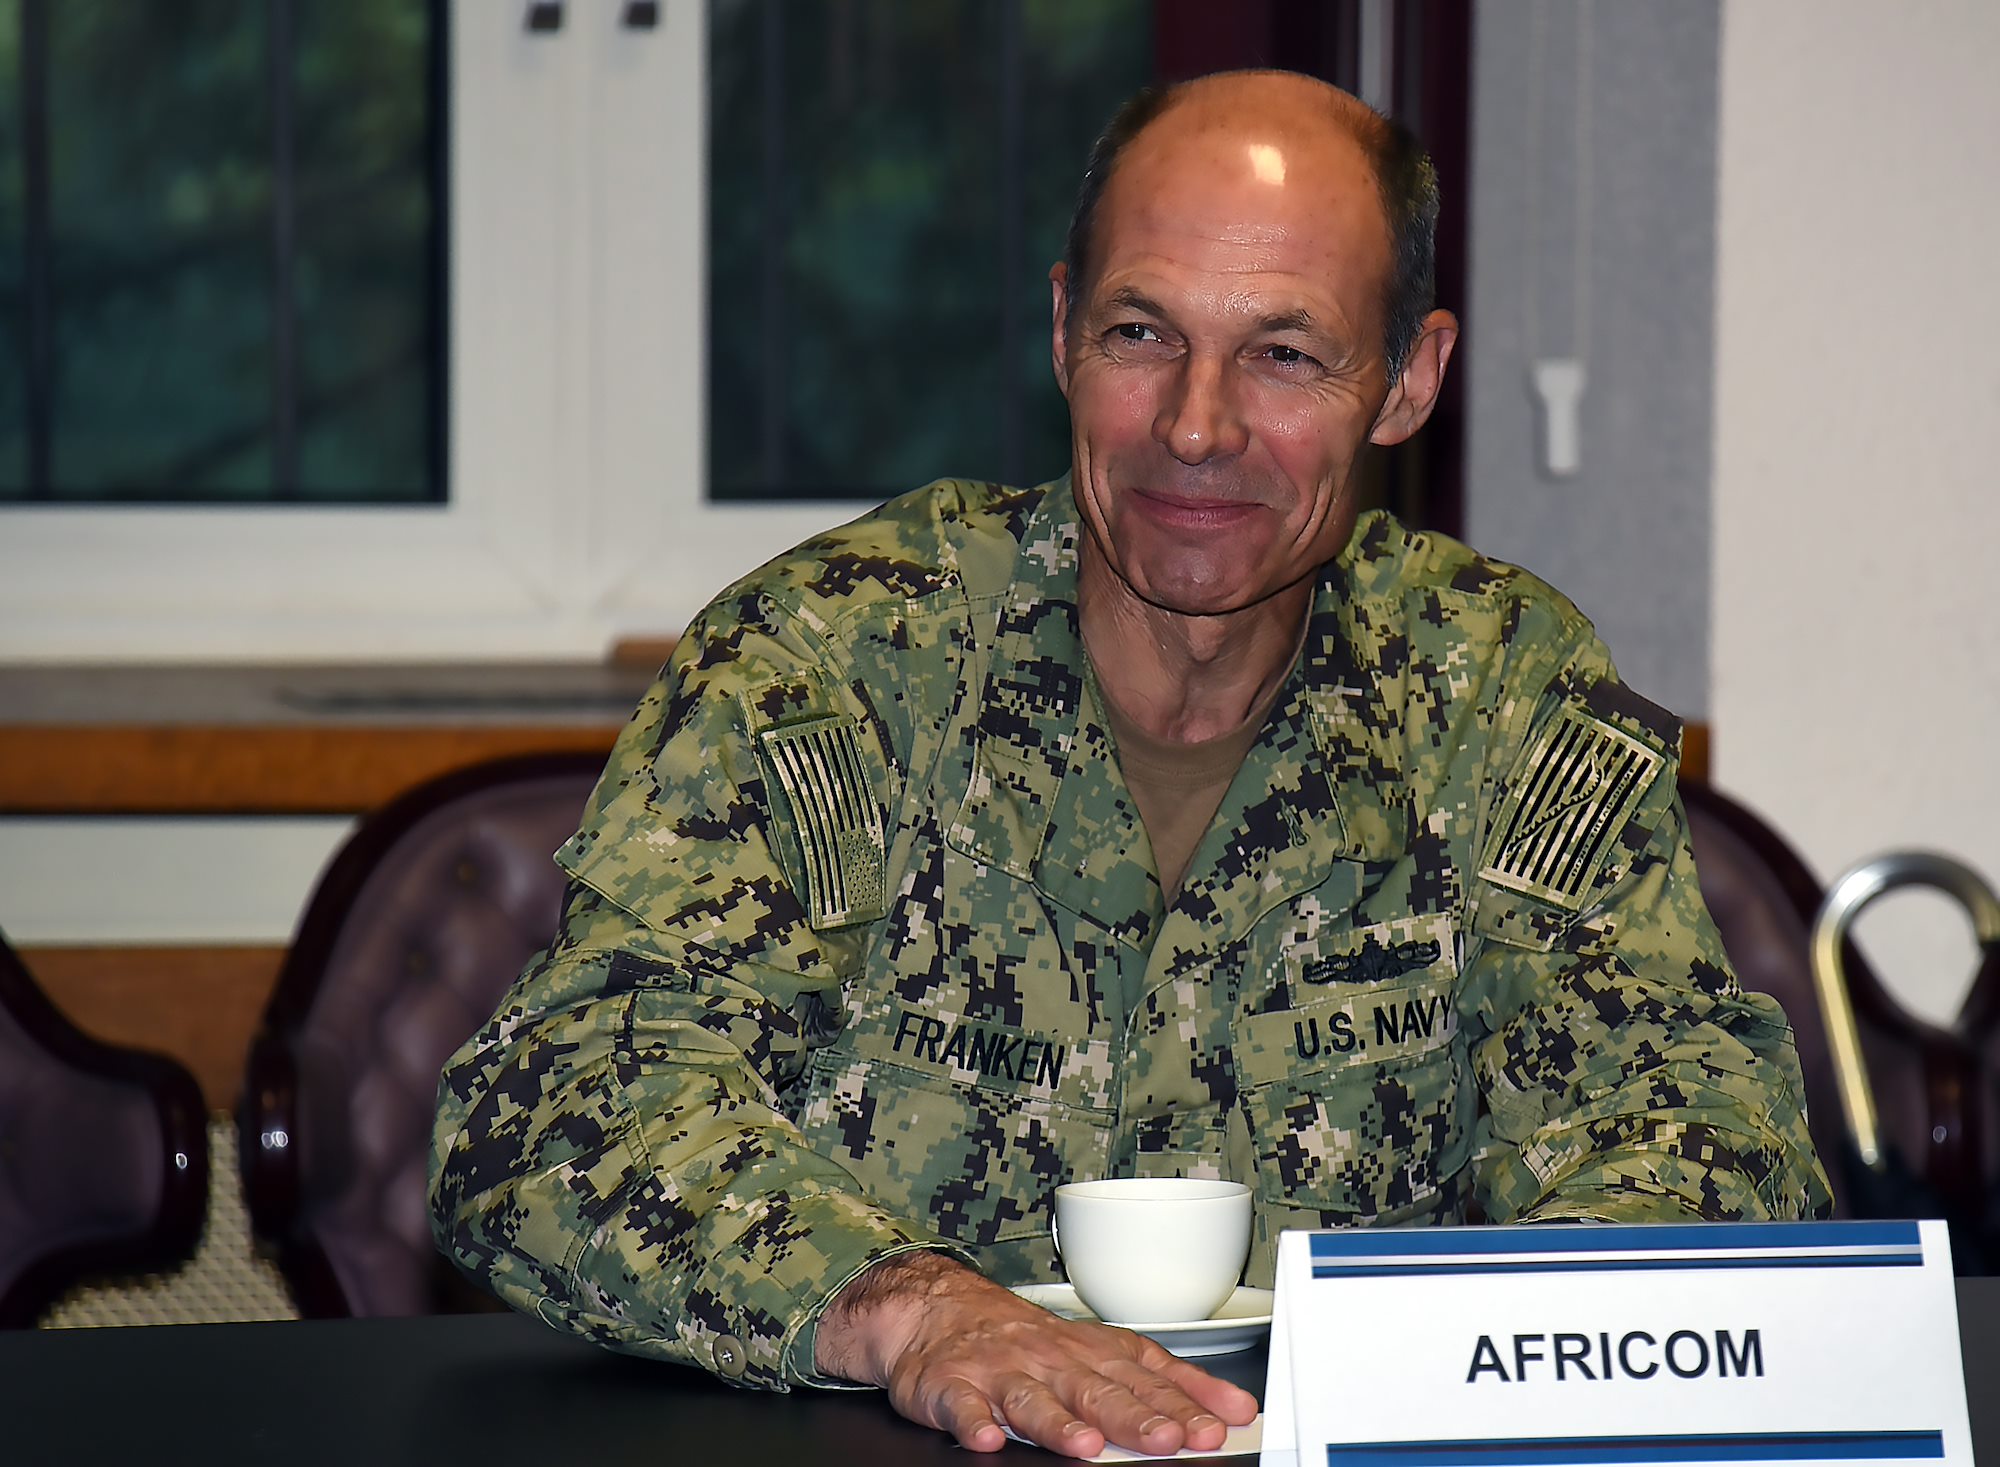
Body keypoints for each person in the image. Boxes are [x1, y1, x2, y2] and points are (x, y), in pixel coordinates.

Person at [430, 69, 1831, 1459]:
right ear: (1059, 332)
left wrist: (1468, 1369)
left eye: (1285, 353)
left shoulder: (1497, 689)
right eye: (1142, 332)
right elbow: (559, 1108)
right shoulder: (837, 662)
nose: (1197, 426)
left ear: (1406, 382)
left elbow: (1693, 1123)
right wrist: (916, 1315)